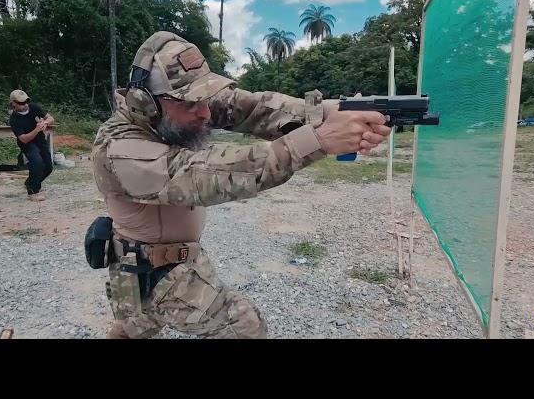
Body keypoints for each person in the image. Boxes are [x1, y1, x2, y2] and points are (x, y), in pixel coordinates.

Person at [91, 31, 391, 339]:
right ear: (146, 102)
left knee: (134, 325)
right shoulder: (117, 151)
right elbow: (212, 173)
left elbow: (248, 107)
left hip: (168, 261)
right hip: (153, 273)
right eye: (193, 104)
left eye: (205, 100)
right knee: (243, 326)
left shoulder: (166, 112)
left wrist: (325, 112)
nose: (206, 112)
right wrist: (320, 139)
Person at [8, 90, 55, 201]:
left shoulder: (34, 108)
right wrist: (37, 129)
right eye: (21, 103)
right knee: (37, 162)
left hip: (40, 140)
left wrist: (45, 123)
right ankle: (33, 192)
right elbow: (23, 139)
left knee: (48, 167)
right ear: (13, 103)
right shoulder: (14, 119)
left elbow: (51, 118)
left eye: (26, 101)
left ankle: (30, 182)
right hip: (27, 143)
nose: (25, 105)